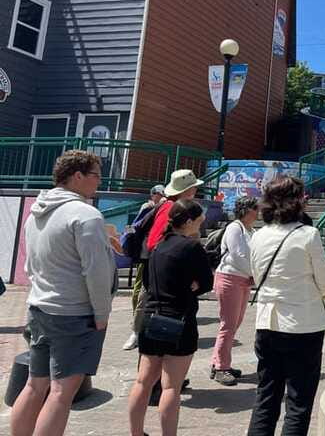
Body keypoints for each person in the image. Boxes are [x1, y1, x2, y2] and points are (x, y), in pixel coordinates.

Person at [11, 150, 117, 436]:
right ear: (77, 176)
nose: (99, 181)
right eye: (96, 175)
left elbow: (30, 265)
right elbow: (96, 272)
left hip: (40, 308)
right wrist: (102, 314)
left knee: (35, 386)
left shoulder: (36, 213)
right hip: (74, 314)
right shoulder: (85, 215)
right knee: (61, 394)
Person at [248, 176, 325, 436]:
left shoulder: (258, 235)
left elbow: (255, 273)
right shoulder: (308, 235)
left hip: (267, 322)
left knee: (266, 395)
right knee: (298, 401)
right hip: (302, 324)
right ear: (295, 201)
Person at [127, 199, 214, 436]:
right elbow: (206, 282)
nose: (201, 224)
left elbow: (150, 281)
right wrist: (193, 285)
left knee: (143, 382)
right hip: (178, 320)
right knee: (171, 387)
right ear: (187, 222)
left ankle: (136, 432)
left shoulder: (157, 245)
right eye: (198, 220)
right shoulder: (191, 247)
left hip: (150, 318)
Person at [210, 195, 260, 386]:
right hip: (230, 278)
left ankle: (219, 363)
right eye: (255, 208)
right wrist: (254, 274)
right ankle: (221, 367)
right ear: (247, 210)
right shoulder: (234, 228)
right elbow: (239, 255)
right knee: (228, 324)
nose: (258, 212)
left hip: (243, 280)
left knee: (234, 323)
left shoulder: (251, 230)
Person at [123, 184, 167, 351]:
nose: (162, 196)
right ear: (153, 195)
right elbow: (136, 227)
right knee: (141, 293)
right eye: (159, 194)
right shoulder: (148, 207)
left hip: (158, 256)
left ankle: (147, 329)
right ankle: (136, 330)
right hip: (146, 257)